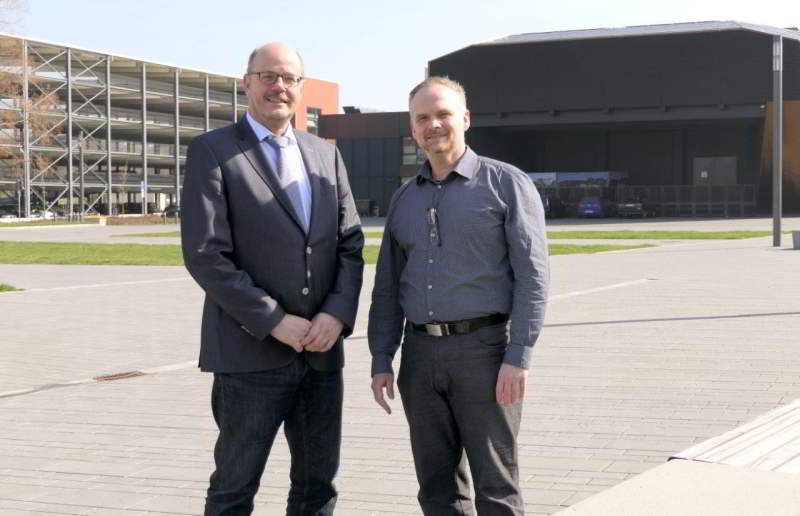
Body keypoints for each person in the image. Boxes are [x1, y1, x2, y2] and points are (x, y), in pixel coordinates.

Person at [181, 42, 364, 515]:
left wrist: (336, 314)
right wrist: (274, 320)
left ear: (301, 88)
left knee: (317, 487)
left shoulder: (325, 156)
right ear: (246, 82)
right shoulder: (213, 151)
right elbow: (206, 254)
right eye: (268, 76)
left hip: (322, 355)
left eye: (289, 78)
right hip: (251, 356)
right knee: (234, 488)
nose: (278, 86)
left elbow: (350, 244)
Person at [368, 76, 549, 515]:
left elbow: (533, 276)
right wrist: (381, 358)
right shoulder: (404, 198)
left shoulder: (506, 184)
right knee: (436, 489)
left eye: (443, 114)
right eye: (423, 118)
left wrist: (518, 355)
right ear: (413, 129)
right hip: (419, 356)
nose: (434, 125)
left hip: (484, 354)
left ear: (465, 119)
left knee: (496, 489)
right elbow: (388, 284)